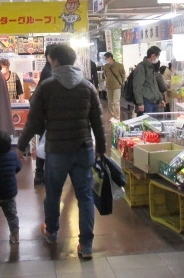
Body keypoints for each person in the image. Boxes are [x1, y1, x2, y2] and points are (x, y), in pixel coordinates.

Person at [16, 44, 106, 260]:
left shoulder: (46, 88)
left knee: (53, 194)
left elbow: (34, 122)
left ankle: (52, 231)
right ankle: (86, 245)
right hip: (84, 149)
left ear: (52, 59)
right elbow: (97, 122)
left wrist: (21, 145)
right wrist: (101, 149)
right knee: (85, 197)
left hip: (57, 150)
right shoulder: (87, 87)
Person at [33, 44, 56, 186]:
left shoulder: (47, 70)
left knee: (44, 143)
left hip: (44, 115)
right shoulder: (51, 71)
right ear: (49, 57)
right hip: (49, 115)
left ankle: (40, 173)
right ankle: (44, 174)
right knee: (47, 145)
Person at [132, 46, 165, 114]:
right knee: (146, 123)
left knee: (152, 123)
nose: (157, 59)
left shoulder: (151, 67)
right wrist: (140, 103)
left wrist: (160, 98)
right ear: (152, 56)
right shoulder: (141, 67)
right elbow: (137, 86)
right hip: (146, 103)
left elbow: (154, 85)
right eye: (157, 56)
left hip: (154, 102)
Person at [103, 52, 126, 121]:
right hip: (109, 86)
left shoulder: (119, 65)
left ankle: (117, 117)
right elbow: (106, 75)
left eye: (106, 58)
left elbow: (123, 75)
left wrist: (120, 83)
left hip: (117, 86)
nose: (105, 59)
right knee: (110, 102)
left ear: (110, 58)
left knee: (116, 102)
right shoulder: (105, 66)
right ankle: (113, 115)